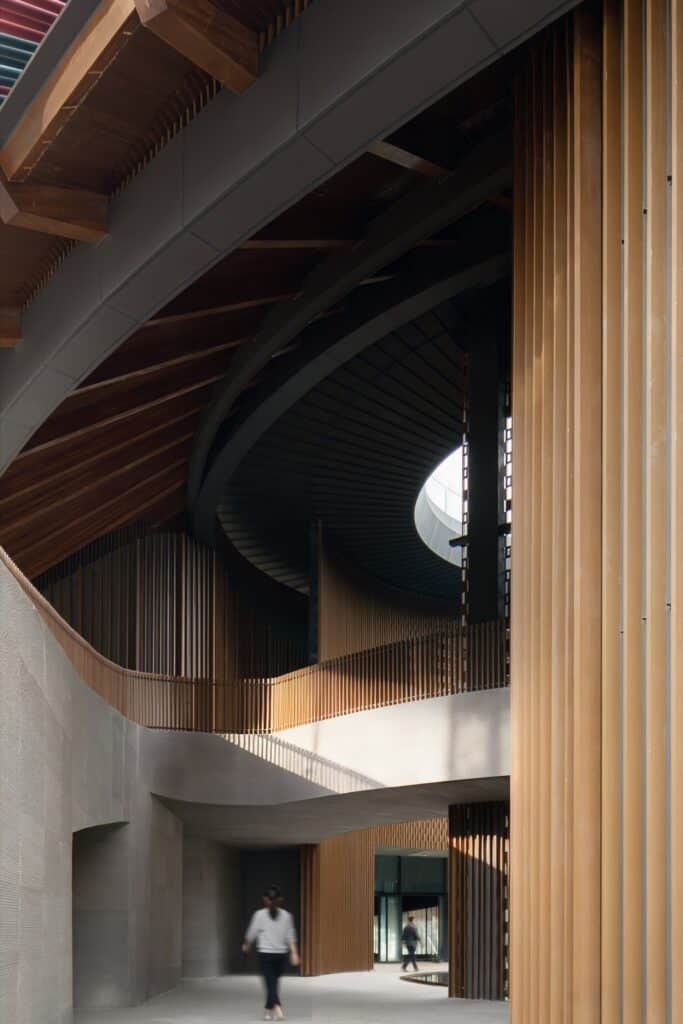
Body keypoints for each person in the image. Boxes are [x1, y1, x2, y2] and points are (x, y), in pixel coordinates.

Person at [243, 885, 300, 1021]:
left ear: (280, 900)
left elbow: (290, 935)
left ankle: (267, 1009)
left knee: (273, 982)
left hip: (281, 954)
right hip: (265, 953)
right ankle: (278, 1008)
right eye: (269, 900)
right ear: (265, 900)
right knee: (271, 982)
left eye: (274, 900)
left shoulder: (287, 916)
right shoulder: (259, 915)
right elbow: (252, 931)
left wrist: (294, 953)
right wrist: (247, 944)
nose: (272, 903)